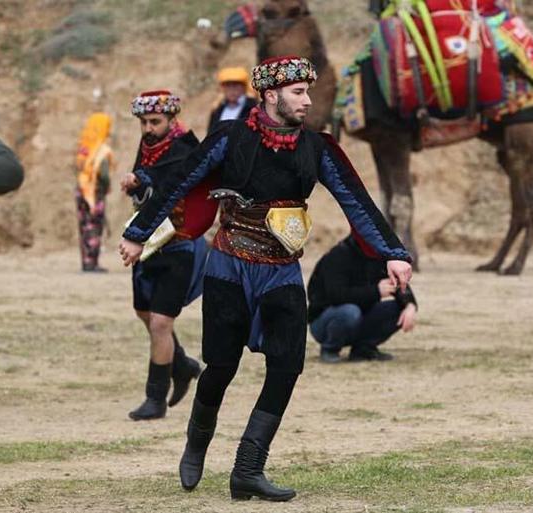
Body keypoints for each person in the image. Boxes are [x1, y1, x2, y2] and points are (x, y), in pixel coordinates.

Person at [118, 56, 412, 502]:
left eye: (307, 92)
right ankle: (197, 441)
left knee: (288, 365)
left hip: (282, 270)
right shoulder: (229, 139)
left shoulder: (318, 148)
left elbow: (357, 201)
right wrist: (138, 234)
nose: (307, 101)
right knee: (222, 366)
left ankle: (248, 469)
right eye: (298, 92)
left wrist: (393, 253)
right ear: (271, 94)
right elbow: (179, 182)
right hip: (228, 266)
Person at [121, 90, 218, 421]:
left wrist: (141, 179)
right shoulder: (149, 144)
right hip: (149, 242)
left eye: (155, 122)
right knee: (144, 314)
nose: (148, 128)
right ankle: (183, 365)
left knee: (161, 322)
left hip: (179, 243)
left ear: (171, 120)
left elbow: (170, 183)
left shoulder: (186, 148)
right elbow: (146, 186)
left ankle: (155, 399)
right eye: (144, 122)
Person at [308, 233, 417, 363]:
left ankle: (362, 349)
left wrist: (410, 305)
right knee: (350, 312)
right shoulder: (337, 256)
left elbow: (400, 283)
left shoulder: (378, 256)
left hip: (359, 317)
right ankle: (330, 349)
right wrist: (376, 291)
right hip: (323, 322)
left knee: (398, 308)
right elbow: (336, 296)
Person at [74, 113, 114, 272]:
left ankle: (86, 262)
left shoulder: (84, 147)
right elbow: (103, 175)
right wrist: (106, 187)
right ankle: (92, 263)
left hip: (81, 191)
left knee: (84, 227)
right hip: (95, 193)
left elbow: (77, 169)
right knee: (94, 227)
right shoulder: (102, 150)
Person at [207, 67, 259, 133]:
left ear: (244, 87)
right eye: (228, 85)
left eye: (235, 85)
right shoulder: (217, 109)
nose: (232, 90)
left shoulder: (253, 108)